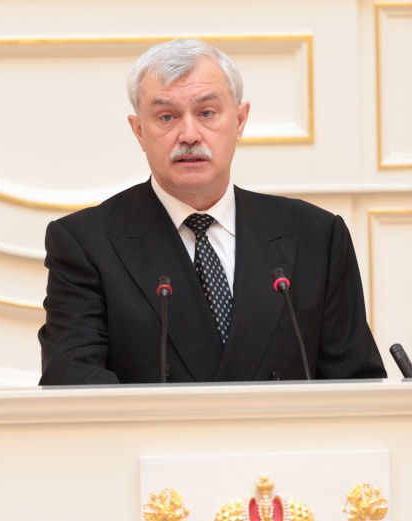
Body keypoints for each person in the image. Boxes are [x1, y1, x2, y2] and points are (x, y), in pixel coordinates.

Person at [38, 38, 386, 385]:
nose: (189, 135)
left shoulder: (316, 235)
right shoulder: (86, 243)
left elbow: (356, 384)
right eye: (167, 117)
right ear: (139, 131)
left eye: (206, 113)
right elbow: (73, 380)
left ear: (239, 120)